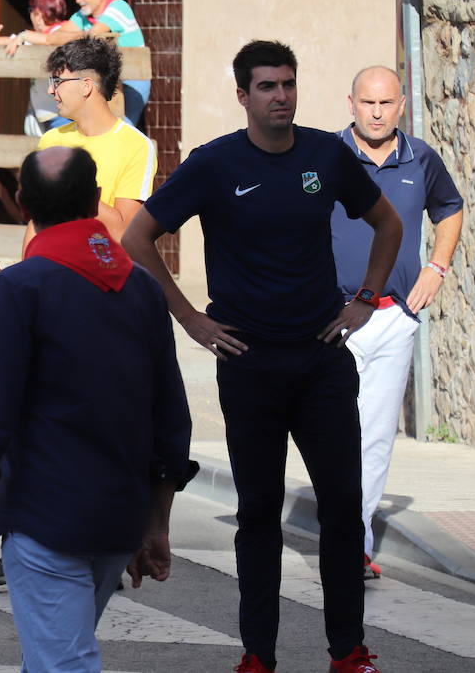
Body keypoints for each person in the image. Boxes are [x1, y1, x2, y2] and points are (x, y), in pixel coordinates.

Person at [121, 40, 402, 673]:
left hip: (322, 357)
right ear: (243, 95)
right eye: (267, 87)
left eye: (288, 85)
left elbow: (389, 224)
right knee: (257, 515)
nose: (280, 96)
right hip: (249, 361)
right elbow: (137, 237)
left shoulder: (327, 154)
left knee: (340, 509)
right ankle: (259, 655)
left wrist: (364, 299)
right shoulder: (214, 164)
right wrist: (189, 316)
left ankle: (348, 651)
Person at [0, 145, 197, 670]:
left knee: (59, 661)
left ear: (22, 203)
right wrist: (156, 522)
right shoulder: (141, 288)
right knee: (54, 653)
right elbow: (171, 416)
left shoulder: (20, 287)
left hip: (47, 516)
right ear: (95, 200)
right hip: (120, 517)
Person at [330, 66, 464, 579]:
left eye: (386, 103)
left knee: (376, 436)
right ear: (351, 103)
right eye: (368, 103)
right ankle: (339, 533)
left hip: (393, 318)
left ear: (402, 104)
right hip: (334, 319)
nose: (378, 112)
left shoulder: (421, 158)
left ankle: (353, 546)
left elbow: (450, 210)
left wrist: (437, 267)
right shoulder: (327, 157)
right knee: (336, 433)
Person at [32, 38, 156, 242]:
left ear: (86, 87)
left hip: (102, 269)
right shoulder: (50, 140)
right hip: (53, 264)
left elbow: (125, 233)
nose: (50, 91)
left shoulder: (136, 146)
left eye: (57, 82)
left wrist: (73, 189)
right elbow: (37, 223)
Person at [20, 0, 149, 127]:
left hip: (132, 79)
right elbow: (56, 36)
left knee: (124, 128)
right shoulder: (83, 14)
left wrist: (79, 35)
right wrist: (81, 34)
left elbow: (91, 35)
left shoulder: (118, 7)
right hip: (105, 78)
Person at [5, 0, 72, 133]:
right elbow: (10, 41)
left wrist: (23, 36)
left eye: (31, 10)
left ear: (38, 14)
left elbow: (49, 41)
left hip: (60, 114)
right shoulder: (38, 37)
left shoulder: (60, 34)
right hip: (46, 112)